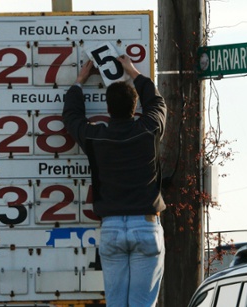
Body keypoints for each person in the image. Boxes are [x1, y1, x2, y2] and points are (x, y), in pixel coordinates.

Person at [62, 55, 167, 307]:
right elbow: (157, 103)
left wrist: (78, 83)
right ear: (135, 107)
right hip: (146, 225)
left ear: (107, 110)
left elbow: (72, 118)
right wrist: (133, 72)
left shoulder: (97, 137)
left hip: (110, 228)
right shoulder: (148, 130)